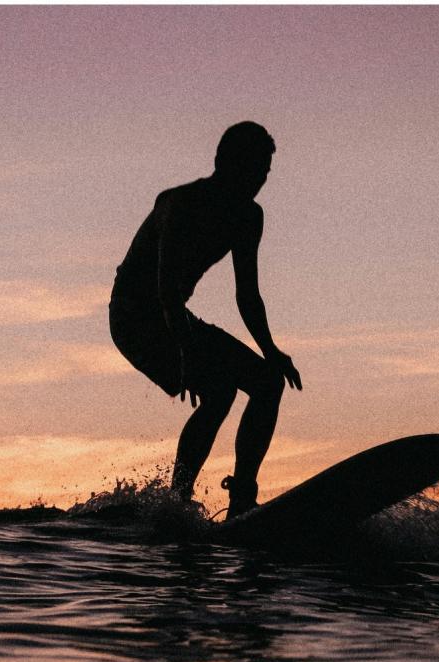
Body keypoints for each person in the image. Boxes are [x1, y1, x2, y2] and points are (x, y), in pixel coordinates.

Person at [109, 122, 302, 519]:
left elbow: (247, 295)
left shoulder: (248, 217)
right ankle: (176, 504)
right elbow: (165, 288)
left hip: (175, 315)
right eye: (255, 169)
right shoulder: (180, 204)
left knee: (268, 382)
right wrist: (185, 347)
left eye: (266, 171)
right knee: (219, 390)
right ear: (227, 164)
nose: (262, 179)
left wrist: (272, 351)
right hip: (134, 318)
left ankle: (242, 499)